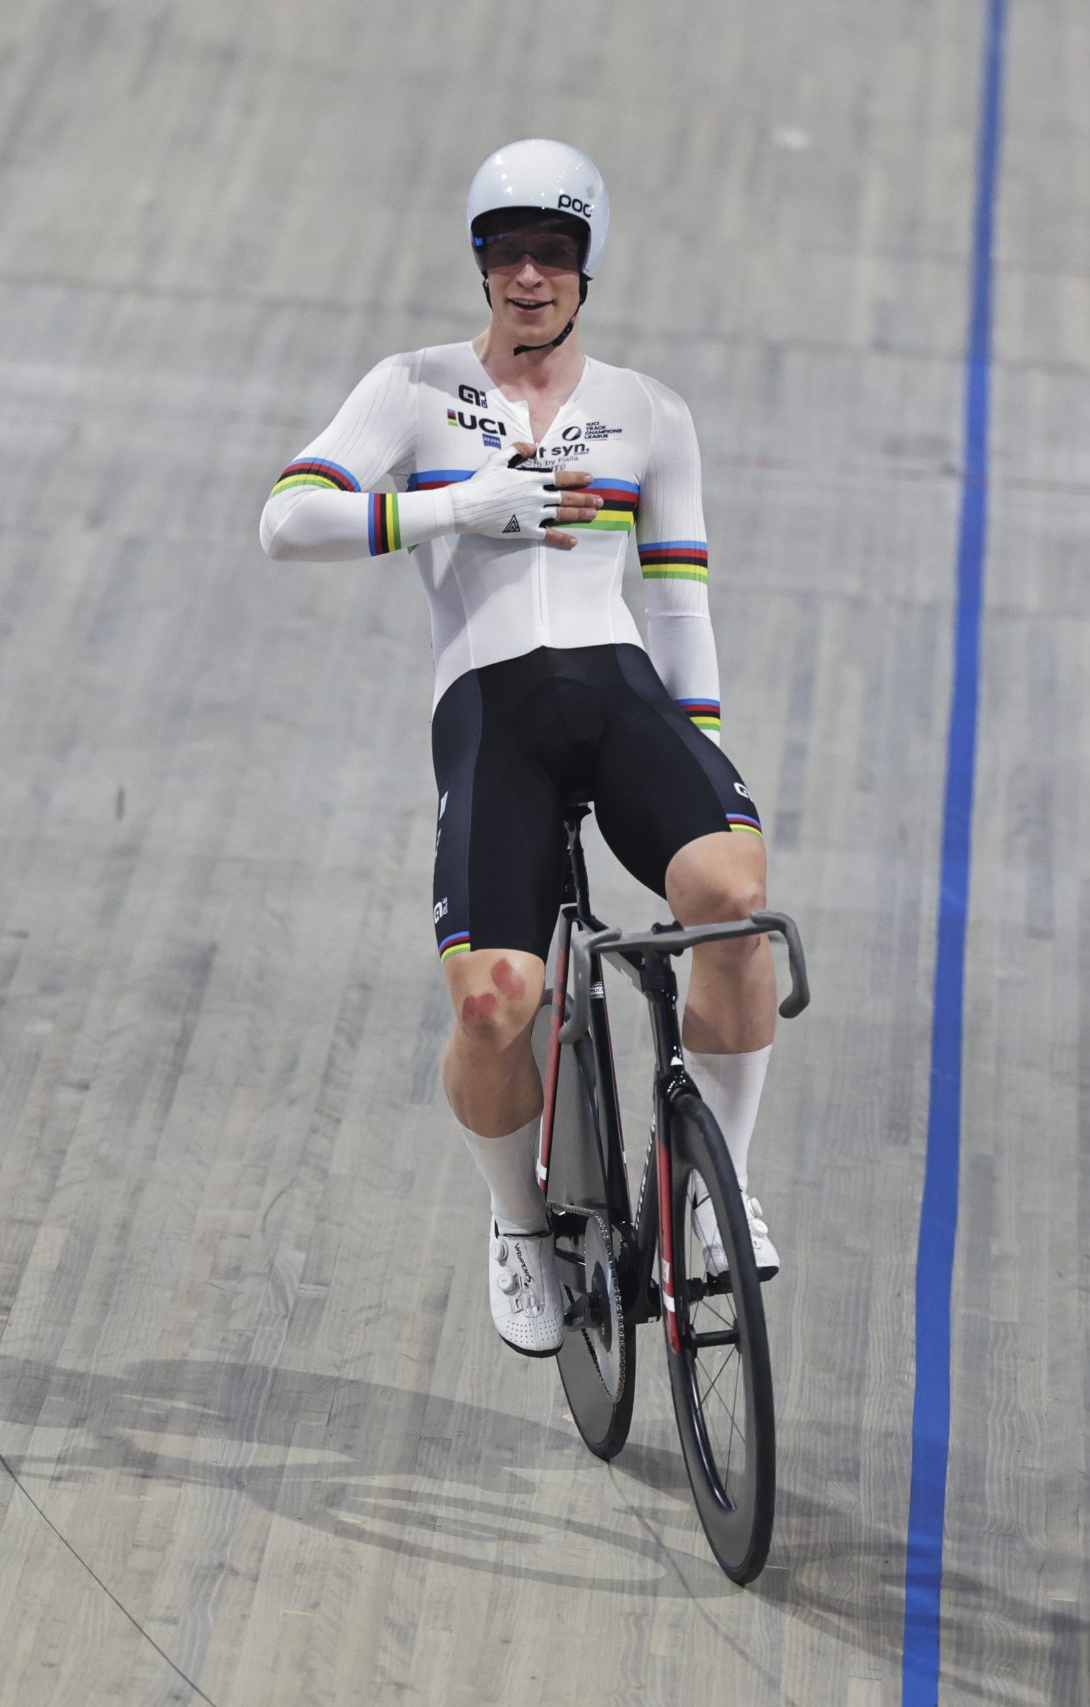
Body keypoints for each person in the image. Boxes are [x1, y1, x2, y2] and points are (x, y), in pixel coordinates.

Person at [259, 140, 777, 1357]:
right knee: (497, 1008)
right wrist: (453, 507)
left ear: (586, 269)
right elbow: (287, 520)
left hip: (624, 699)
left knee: (736, 906)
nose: (529, 276)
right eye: (507, 251)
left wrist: (699, 765)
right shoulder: (416, 386)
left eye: (554, 253)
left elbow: (680, 600)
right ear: (479, 262)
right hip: (494, 717)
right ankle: (516, 1224)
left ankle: (714, 1184)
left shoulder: (649, 414)